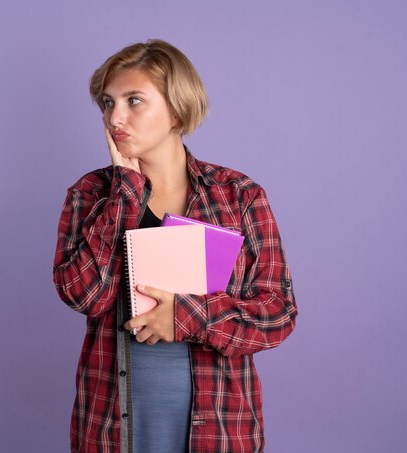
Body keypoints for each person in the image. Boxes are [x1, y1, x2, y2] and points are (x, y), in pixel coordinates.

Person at [53, 39, 297, 453]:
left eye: (134, 101)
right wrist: (126, 193)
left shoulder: (238, 195)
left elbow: (277, 313)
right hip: (112, 426)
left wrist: (189, 317)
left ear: (177, 109)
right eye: (108, 104)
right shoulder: (91, 193)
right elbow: (85, 296)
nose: (116, 117)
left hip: (219, 427)